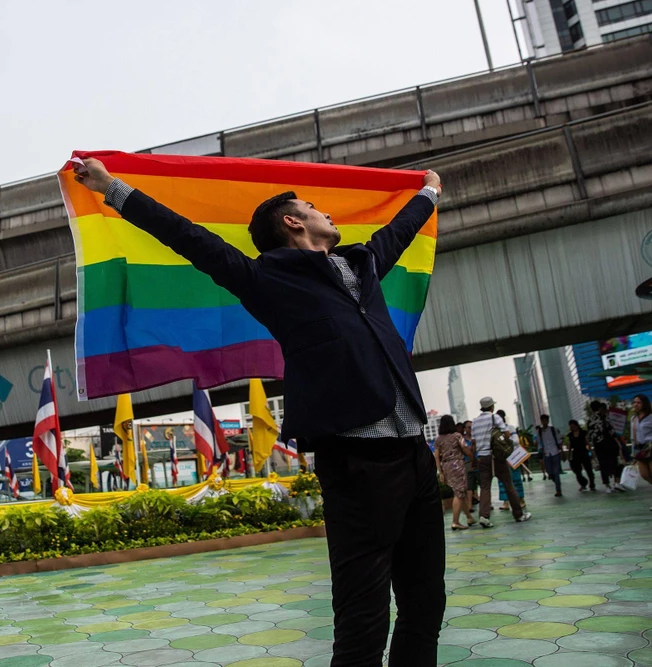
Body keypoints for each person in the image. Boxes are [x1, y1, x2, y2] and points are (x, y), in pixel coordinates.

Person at [74, 157, 444, 667]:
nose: (325, 213)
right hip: (357, 462)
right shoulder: (266, 279)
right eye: (313, 207)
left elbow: (400, 230)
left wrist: (428, 194)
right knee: (364, 616)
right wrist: (111, 188)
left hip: (413, 452)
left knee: (426, 601)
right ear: (293, 222)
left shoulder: (364, 264)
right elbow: (187, 237)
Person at [470, 397, 530, 527]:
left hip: (482, 458)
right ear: (492, 407)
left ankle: (484, 516)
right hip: (496, 457)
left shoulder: (475, 422)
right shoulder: (495, 418)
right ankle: (519, 515)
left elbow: (473, 443)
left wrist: (474, 460)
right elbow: (506, 434)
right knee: (509, 485)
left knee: (485, 488)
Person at [436, 415, 475, 530]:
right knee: (459, 493)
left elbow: (436, 456)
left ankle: (469, 517)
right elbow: (464, 448)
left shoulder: (439, 439)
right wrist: (473, 458)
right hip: (457, 465)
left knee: (459, 492)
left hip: (446, 466)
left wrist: (440, 471)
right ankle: (455, 521)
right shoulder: (457, 436)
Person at [588, 401, 625, 493]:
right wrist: (619, 444)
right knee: (616, 462)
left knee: (603, 465)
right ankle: (616, 482)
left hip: (599, 446)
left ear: (591, 409)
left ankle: (607, 486)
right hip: (610, 444)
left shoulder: (590, 421)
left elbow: (590, 436)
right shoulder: (605, 417)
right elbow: (612, 431)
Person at [496, 410, 526, 511]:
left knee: (516, 478)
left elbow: (516, 441)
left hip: (513, 457)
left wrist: (505, 440)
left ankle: (521, 499)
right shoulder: (495, 430)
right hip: (501, 458)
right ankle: (505, 502)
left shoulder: (510, 428)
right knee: (502, 481)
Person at [630, 395, 652, 499]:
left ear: (644, 404)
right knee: (645, 475)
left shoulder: (650, 416)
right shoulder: (633, 419)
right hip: (639, 448)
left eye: (638, 402)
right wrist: (633, 453)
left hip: (650, 447)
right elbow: (632, 437)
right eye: (634, 402)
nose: (636, 405)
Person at [536, 414, 563, 497]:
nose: (544, 422)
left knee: (556, 472)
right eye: (542, 420)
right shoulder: (539, 432)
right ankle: (557, 482)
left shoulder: (553, 429)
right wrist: (541, 450)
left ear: (548, 421)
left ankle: (558, 490)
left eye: (545, 420)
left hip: (555, 452)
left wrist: (561, 451)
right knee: (549, 472)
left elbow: (559, 440)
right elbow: (539, 442)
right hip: (546, 454)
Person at [567, 419, 595, 492]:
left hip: (584, 453)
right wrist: (569, 455)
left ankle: (592, 484)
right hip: (575, 454)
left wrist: (590, 452)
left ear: (576, 426)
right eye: (571, 427)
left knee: (589, 469)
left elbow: (587, 443)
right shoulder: (570, 435)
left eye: (573, 426)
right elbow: (569, 446)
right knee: (577, 472)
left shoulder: (583, 433)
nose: (572, 428)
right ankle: (583, 483)